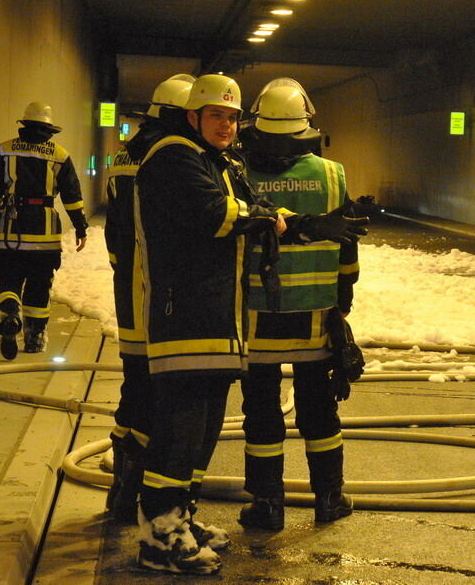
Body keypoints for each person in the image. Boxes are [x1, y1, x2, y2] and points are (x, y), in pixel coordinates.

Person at [134, 74, 368, 574]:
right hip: (191, 315)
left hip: (229, 318)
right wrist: (330, 275)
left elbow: (258, 209)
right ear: (192, 116)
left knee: (211, 426)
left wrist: (299, 223)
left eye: (232, 117)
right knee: (181, 429)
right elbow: (221, 214)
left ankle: (202, 515)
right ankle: (160, 536)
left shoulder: (220, 161)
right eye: (215, 115)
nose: (226, 125)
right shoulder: (176, 156)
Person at [233, 78, 360, 532]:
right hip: (317, 313)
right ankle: (329, 498)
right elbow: (348, 242)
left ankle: (267, 504)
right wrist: (344, 297)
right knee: (320, 409)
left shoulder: (237, 172)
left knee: (261, 411)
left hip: (255, 315)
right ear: (307, 123)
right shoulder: (332, 174)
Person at [103, 74, 194, 524]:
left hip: (129, 289)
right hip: (165, 294)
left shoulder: (127, 154)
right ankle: (147, 496)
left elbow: (114, 233)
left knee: (134, 383)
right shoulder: (174, 158)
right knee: (166, 395)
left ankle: (122, 489)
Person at [0, 102, 88, 360]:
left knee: (7, 278)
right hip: (45, 237)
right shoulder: (59, 154)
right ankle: (35, 338)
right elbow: (72, 196)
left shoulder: (5, 150)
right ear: (49, 129)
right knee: (40, 285)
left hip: (11, 233)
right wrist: (80, 227)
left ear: (25, 125)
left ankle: (9, 311)